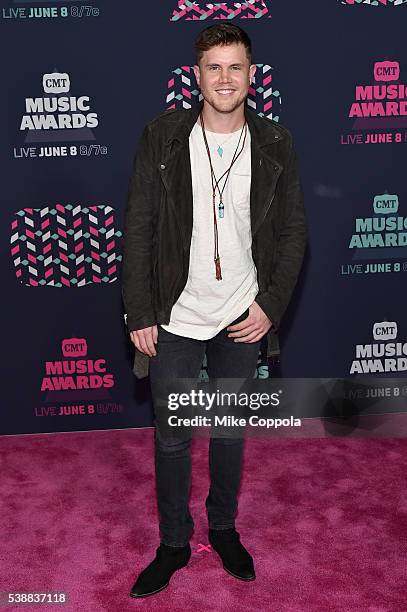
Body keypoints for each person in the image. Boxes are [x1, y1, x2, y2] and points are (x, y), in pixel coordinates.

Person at [122, 23, 308, 598]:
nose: (224, 78)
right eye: (213, 67)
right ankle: (174, 541)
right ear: (196, 75)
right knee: (173, 436)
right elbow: (139, 228)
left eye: (235, 67)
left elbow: (293, 232)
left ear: (252, 76)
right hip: (175, 314)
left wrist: (270, 307)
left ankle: (223, 528)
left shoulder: (275, 142)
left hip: (241, 314)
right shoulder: (164, 137)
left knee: (228, 431)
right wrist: (139, 312)